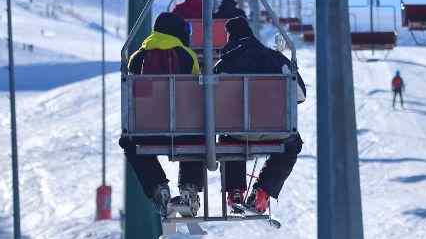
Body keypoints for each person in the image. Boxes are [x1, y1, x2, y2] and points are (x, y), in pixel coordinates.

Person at [213, 16, 307, 215]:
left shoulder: (223, 65)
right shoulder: (276, 58)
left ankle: (235, 191)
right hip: (277, 130)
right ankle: (262, 191)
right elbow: (300, 94)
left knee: (227, 139)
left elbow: (210, 101)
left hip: (237, 132)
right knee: (293, 144)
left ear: (229, 38)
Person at [121, 12, 207, 216]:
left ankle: (158, 187)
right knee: (198, 132)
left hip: (147, 130)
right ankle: (189, 187)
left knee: (129, 142)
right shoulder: (187, 55)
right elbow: (195, 89)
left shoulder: (137, 57)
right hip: (182, 129)